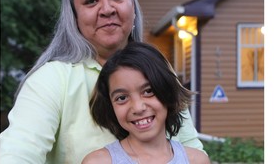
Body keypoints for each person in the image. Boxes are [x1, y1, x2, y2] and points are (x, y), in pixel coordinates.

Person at [0, 0, 205, 164]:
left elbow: (188, 146)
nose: (107, 9)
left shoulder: (159, 68)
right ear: (74, 16)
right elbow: (17, 152)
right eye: (90, 1)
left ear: (133, 7)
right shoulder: (51, 79)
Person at [82, 42, 210, 164]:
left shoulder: (197, 160)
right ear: (110, 107)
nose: (138, 107)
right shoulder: (98, 162)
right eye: (122, 98)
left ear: (167, 91)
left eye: (148, 91)